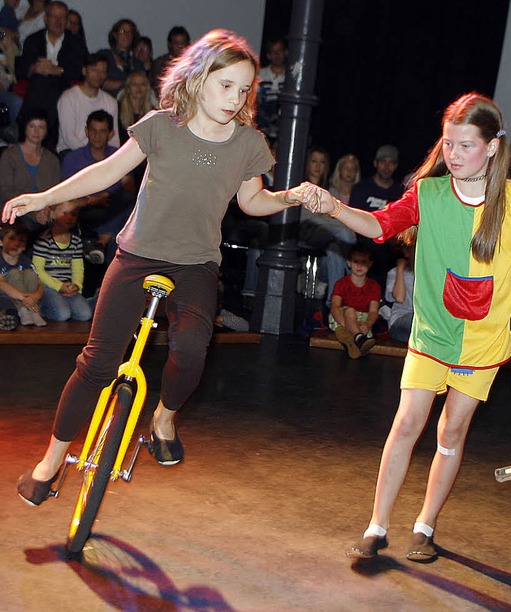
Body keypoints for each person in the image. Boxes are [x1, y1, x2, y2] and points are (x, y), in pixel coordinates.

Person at [3, 28, 310, 506]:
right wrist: (44, 197)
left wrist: (291, 196)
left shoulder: (249, 143)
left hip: (197, 266)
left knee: (191, 351)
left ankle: (164, 417)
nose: (234, 98)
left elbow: (252, 201)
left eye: (243, 89)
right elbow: (107, 171)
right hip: (137, 254)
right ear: (199, 77)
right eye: (224, 85)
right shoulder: (161, 125)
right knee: (96, 364)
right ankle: (51, 460)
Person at [300, 92, 511, 562]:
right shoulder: (428, 194)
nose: (453, 154)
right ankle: (377, 527)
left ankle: (424, 527)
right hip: (432, 333)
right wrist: (333, 207)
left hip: (484, 343)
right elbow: (379, 226)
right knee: (407, 423)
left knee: (451, 432)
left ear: (491, 147)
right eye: (448, 143)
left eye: (466, 145)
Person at [60, 109, 136, 271]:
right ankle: (103, 241)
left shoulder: (118, 156)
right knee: (118, 226)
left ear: (110, 134)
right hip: (85, 211)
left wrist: (108, 194)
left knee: (130, 202)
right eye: (93, 131)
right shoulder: (73, 158)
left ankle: (101, 243)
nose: (97, 136)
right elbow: (64, 198)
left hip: (113, 207)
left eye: (102, 131)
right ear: (86, 131)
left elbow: (129, 187)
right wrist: (91, 200)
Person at [15, 1, 86, 151]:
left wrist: (56, 70)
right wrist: (34, 68)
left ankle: (29, 132)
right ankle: (44, 138)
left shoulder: (76, 43)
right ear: (46, 19)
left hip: (63, 88)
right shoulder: (33, 40)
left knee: (48, 87)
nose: (58, 21)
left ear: (66, 21)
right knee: (41, 83)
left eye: (62, 17)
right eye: (54, 17)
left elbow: (79, 71)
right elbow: (21, 70)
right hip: (37, 88)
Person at [298, 146, 357, 303]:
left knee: (335, 251)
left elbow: (335, 216)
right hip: (305, 233)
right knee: (346, 233)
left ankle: (332, 304)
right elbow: (305, 217)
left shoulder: (332, 190)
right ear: (307, 163)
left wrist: (324, 216)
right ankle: (353, 275)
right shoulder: (300, 187)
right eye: (314, 161)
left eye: (322, 162)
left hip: (327, 241)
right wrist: (324, 217)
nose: (318, 166)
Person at [350, 144, 405, 284]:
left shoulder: (400, 192)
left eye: (391, 162)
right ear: (376, 163)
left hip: (389, 246)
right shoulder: (362, 189)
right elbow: (354, 219)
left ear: (396, 165)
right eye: (383, 162)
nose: (386, 167)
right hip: (363, 242)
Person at [0, 108, 60, 233]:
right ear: (25, 128)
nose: (36, 131)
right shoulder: (10, 156)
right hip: (17, 214)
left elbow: (56, 192)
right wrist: (33, 210)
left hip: (45, 213)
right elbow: (5, 192)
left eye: (41, 127)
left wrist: (47, 210)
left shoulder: (52, 160)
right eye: (32, 126)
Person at [32, 199, 93, 321]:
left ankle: (92, 301)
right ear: (53, 214)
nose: (69, 217)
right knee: (63, 315)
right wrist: (58, 286)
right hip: (47, 286)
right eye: (65, 213)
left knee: (86, 315)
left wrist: (77, 285)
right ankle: (41, 308)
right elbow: (38, 270)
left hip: (67, 285)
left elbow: (77, 268)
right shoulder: (45, 240)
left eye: (73, 214)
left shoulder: (75, 241)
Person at [56, 53, 119, 155]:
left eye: (103, 71)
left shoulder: (111, 102)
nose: (99, 75)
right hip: (72, 152)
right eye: (95, 70)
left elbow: (114, 139)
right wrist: (91, 156)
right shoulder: (69, 98)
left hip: (101, 154)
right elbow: (69, 137)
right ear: (84, 71)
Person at [329, 244, 380, 359]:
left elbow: (373, 311)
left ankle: (353, 343)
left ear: (370, 264)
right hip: (341, 317)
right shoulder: (341, 283)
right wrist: (345, 323)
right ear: (349, 263)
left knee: (353, 323)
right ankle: (358, 338)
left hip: (361, 320)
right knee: (350, 311)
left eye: (364, 262)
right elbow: (335, 307)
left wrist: (367, 324)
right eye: (356, 261)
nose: (359, 266)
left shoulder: (374, 286)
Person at [0, 218, 46, 328]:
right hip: (6, 299)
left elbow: (39, 284)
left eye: (20, 241)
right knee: (15, 273)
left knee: (30, 273)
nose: (16, 243)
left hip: (28, 301)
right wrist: (24, 298)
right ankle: (23, 311)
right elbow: (2, 284)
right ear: (1, 241)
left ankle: (33, 312)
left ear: (25, 246)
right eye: (11, 239)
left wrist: (35, 297)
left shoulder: (25, 261)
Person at [97, 18, 144, 98]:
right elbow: (98, 81)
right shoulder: (104, 56)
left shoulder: (137, 63)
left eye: (130, 32)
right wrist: (125, 84)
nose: (127, 35)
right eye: (123, 31)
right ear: (115, 35)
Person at [383, 242, 414, 343]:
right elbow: (399, 298)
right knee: (415, 320)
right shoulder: (395, 272)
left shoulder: (430, 273)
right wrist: (400, 269)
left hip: (422, 323)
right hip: (401, 320)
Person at [257, 36, 286, 139]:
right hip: (262, 126)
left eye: (280, 51)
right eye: (273, 52)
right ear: (268, 55)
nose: (277, 55)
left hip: (284, 127)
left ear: (286, 52)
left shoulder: (292, 78)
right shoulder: (260, 75)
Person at [150, 25, 190, 98]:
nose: (180, 46)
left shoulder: (194, 64)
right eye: (176, 43)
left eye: (183, 42)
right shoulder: (160, 64)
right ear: (170, 45)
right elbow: (157, 89)